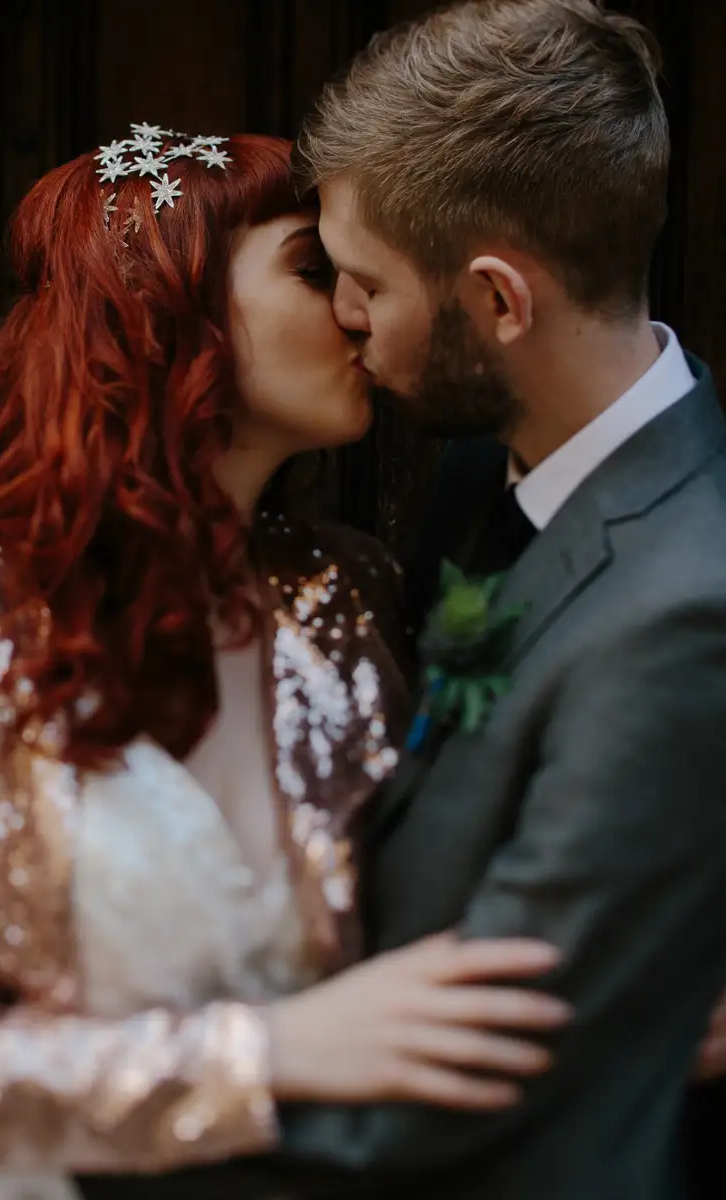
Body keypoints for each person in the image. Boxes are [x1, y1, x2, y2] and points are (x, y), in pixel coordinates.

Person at [0, 126, 574, 1200]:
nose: (357, 309)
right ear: (172, 310)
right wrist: (266, 1054)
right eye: (314, 271)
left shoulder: (348, 593)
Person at [268, 2, 726, 1198]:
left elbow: (490, 1074)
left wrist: (72, 1126)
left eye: (364, 280)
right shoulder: (483, 466)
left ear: (497, 301)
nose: (343, 315)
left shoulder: (680, 612)